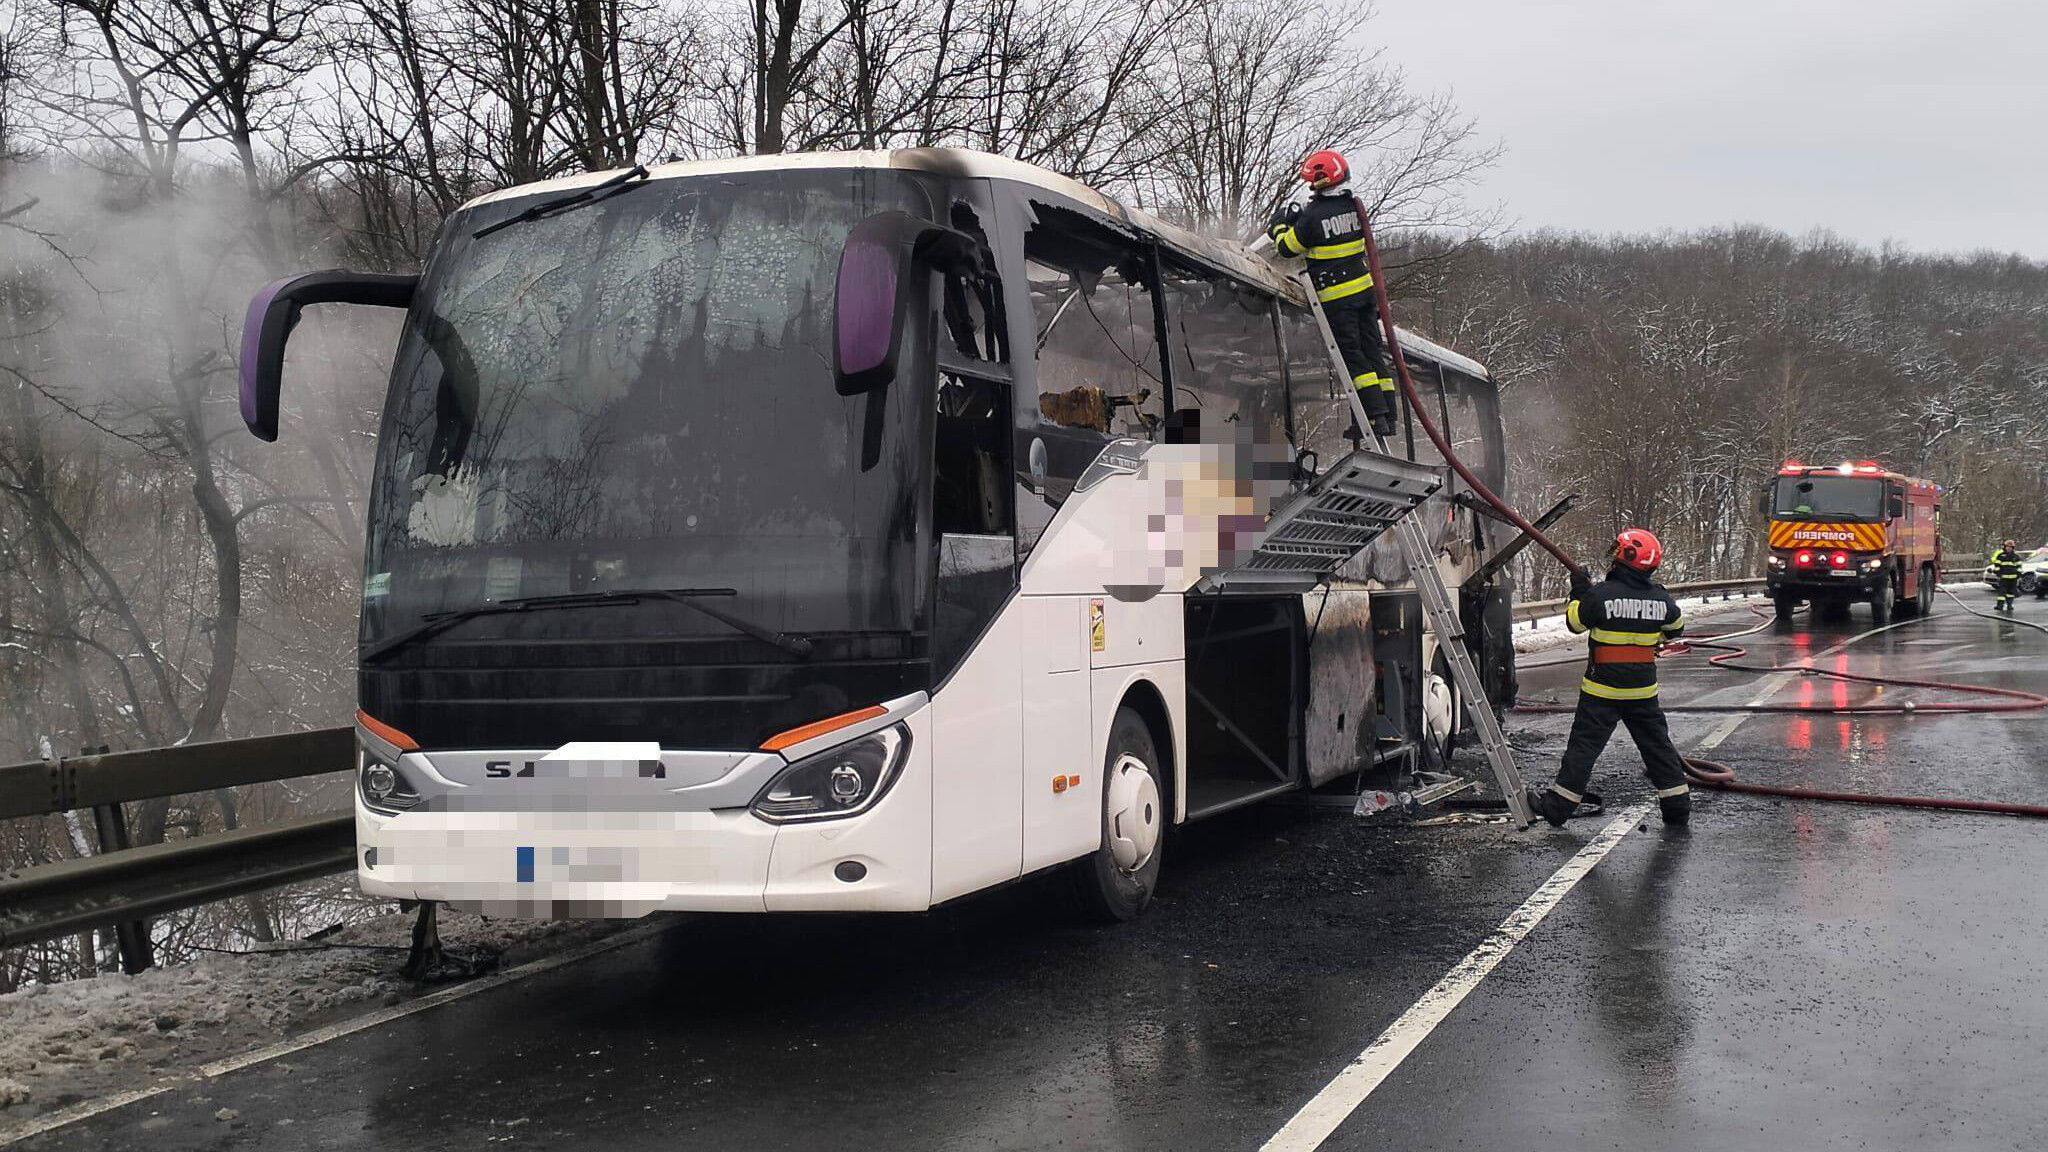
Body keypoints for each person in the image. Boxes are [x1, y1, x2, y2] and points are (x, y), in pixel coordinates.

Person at [1529, 529, 1691, 828]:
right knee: (1658, 749)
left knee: (1583, 749)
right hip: (1642, 693)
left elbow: (1575, 623)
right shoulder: (1660, 598)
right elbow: (1676, 628)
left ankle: (1557, 807)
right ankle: (1677, 807)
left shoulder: (1600, 594)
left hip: (1601, 691)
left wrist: (1578, 592)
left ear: (1626, 556)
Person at [1267, 150, 1397, 441]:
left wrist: (1278, 226)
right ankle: (1388, 416)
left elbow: (1287, 248)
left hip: (1338, 298)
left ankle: (1372, 417)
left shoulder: (1313, 216)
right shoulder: (1352, 207)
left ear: (1320, 180)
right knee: (1373, 353)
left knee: (1352, 356)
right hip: (1364, 294)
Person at [1990, 539, 2024, 612]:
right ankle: (2000, 606)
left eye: (2010, 547)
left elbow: (2019, 567)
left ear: (2013, 548)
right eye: (2007, 547)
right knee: (2001, 593)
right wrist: (1998, 572)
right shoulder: (2001, 556)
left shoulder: (2016, 557)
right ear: (2005, 547)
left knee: (2010, 593)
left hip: (2013, 579)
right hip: (2003, 578)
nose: (2008, 548)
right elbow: (1997, 565)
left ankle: (2009, 605)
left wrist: (2019, 574)